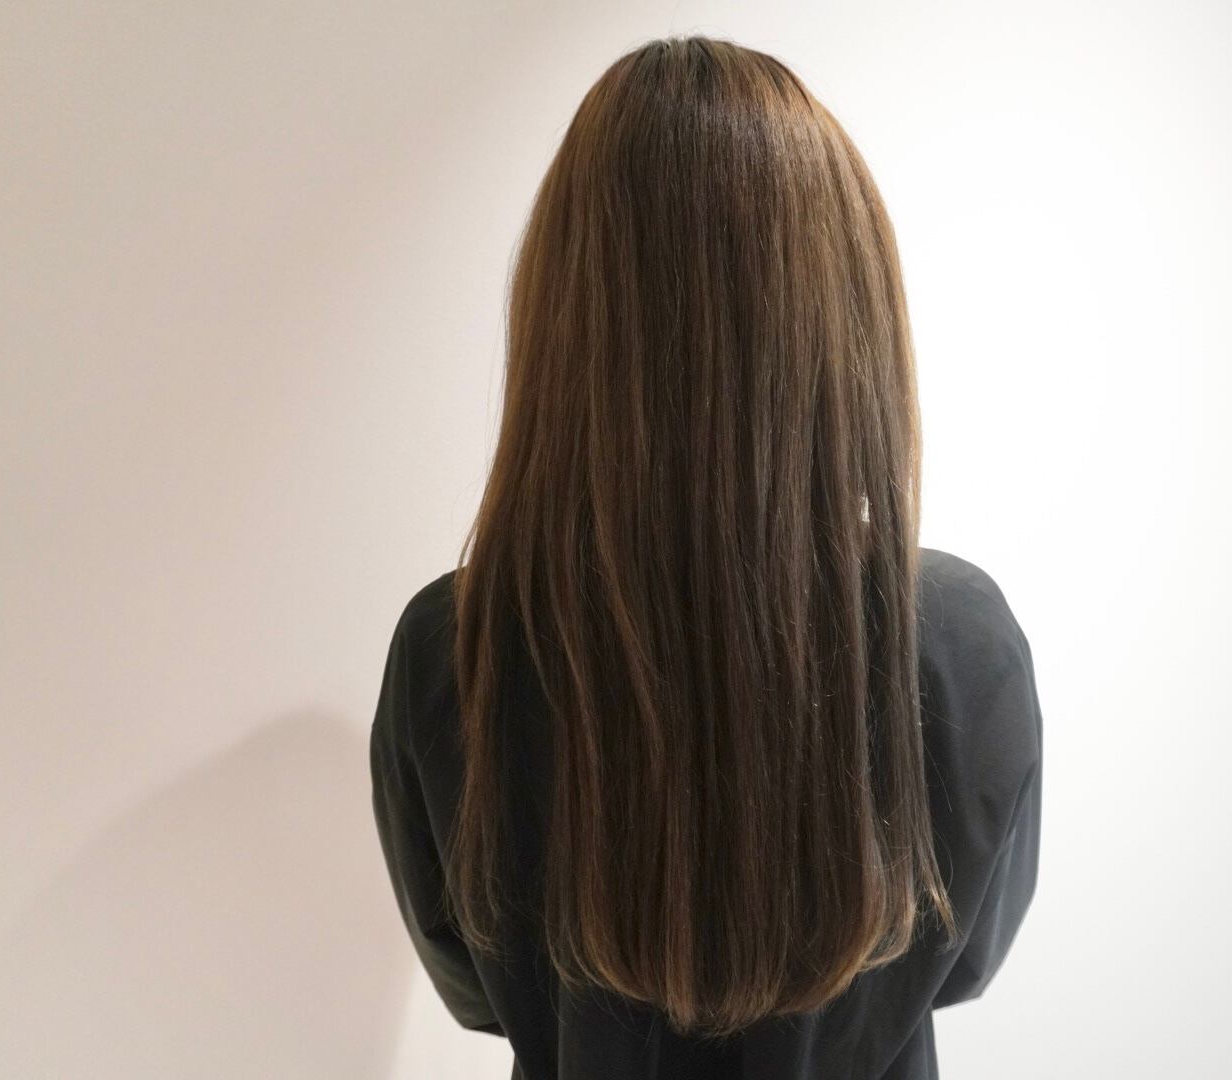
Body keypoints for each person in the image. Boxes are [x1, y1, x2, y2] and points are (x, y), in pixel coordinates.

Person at [369, 34, 1043, 1080]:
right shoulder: (959, 641)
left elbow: (474, 991)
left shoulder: (455, 648)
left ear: (566, 315)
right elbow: (965, 965)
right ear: (845, 311)